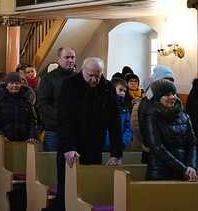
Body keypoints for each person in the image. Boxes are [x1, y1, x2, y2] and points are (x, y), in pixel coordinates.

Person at [57, 58, 122, 210]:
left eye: (97, 76)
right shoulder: (69, 84)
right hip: (71, 145)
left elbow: (115, 121)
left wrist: (116, 153)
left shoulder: (107, 88)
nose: (94, 80)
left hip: (94, 143)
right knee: (66, 188)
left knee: (91, 188)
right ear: (83, 70)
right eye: (90, 75)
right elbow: (64, 118)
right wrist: (68, 147)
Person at [142, 79, 198, 181]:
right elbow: (157, 147)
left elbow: (192, 144)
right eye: (167, 95)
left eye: (174, 94)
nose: (172, 97)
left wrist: (191, 166)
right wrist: (183, 169)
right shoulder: (151, 115)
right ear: (158, 98)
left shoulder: (184, 116)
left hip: (184, 174)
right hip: (160, 173)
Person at [37, 47, 76, 152]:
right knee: (53, 163)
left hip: (74, 129)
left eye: (72, 57)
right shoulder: (49, 78)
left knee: (73, 165)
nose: (70, 60)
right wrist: (61, 117)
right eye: (67, 57)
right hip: (54, 129)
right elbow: (42, 104)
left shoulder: (78, 78)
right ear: (59, 59)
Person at [130, 66, 175, 154]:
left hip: (169, 149)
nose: (168, 83)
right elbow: (137, 127)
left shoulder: (174, 101)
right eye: (165, 80)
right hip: (147, 149)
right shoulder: (144, 102)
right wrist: (152, 145)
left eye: (171, 81)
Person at [0, 72, 38, 142]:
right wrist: (0, 135)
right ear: (6, 85)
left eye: (17, 83)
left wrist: (31, 136)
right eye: (11, 83)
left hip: (24, 140)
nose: (14, 85)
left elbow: (32, 120)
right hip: (4, 139)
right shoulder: (0, 99)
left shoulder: (26, 99)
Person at [104, 78, 133, 152]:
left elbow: (128, 128)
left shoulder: (125, 109)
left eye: (124, 91)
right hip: (102, 146)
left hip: (118, 147)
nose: (123, 93)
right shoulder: (103, 106)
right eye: (120, 90)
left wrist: (123, 142)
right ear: (112, 89)